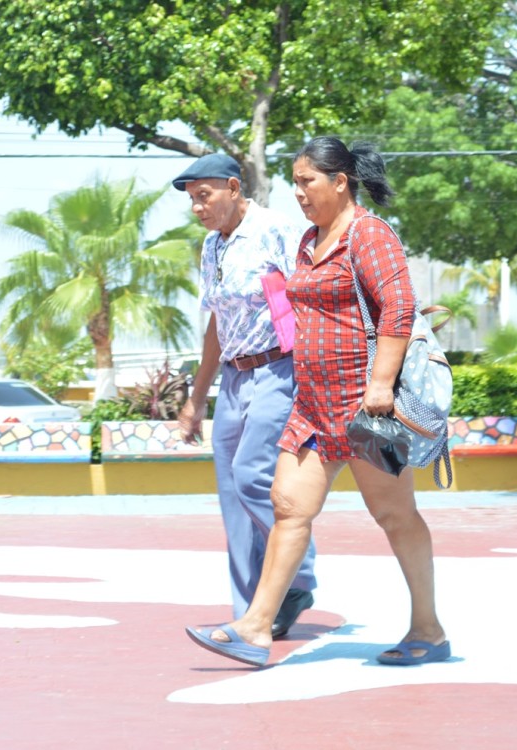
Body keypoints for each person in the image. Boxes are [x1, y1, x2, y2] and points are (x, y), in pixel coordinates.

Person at [185, 137, 450, 668]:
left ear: (340, 182)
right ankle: (256, 629)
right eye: (295, 182)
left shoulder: (369, 235)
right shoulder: (308, 241)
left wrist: (380, 385)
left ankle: (429, 629)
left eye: (307, 181)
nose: (299, 192)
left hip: (364, 411)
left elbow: (398, 308)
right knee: (288, 507)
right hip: (314, 406)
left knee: (395, 516)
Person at [173, 153, 317, 639]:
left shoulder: (277, 230)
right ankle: (249, 611)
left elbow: (311, 295)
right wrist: (197, 397)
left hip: (280, 367)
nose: (198, 208)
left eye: (205, 196)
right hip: (233, 379)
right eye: (193, 200)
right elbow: (217, 324)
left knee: (252, 474)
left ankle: (297, 577)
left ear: (234, 187)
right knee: (232, 493)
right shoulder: (212, 247)